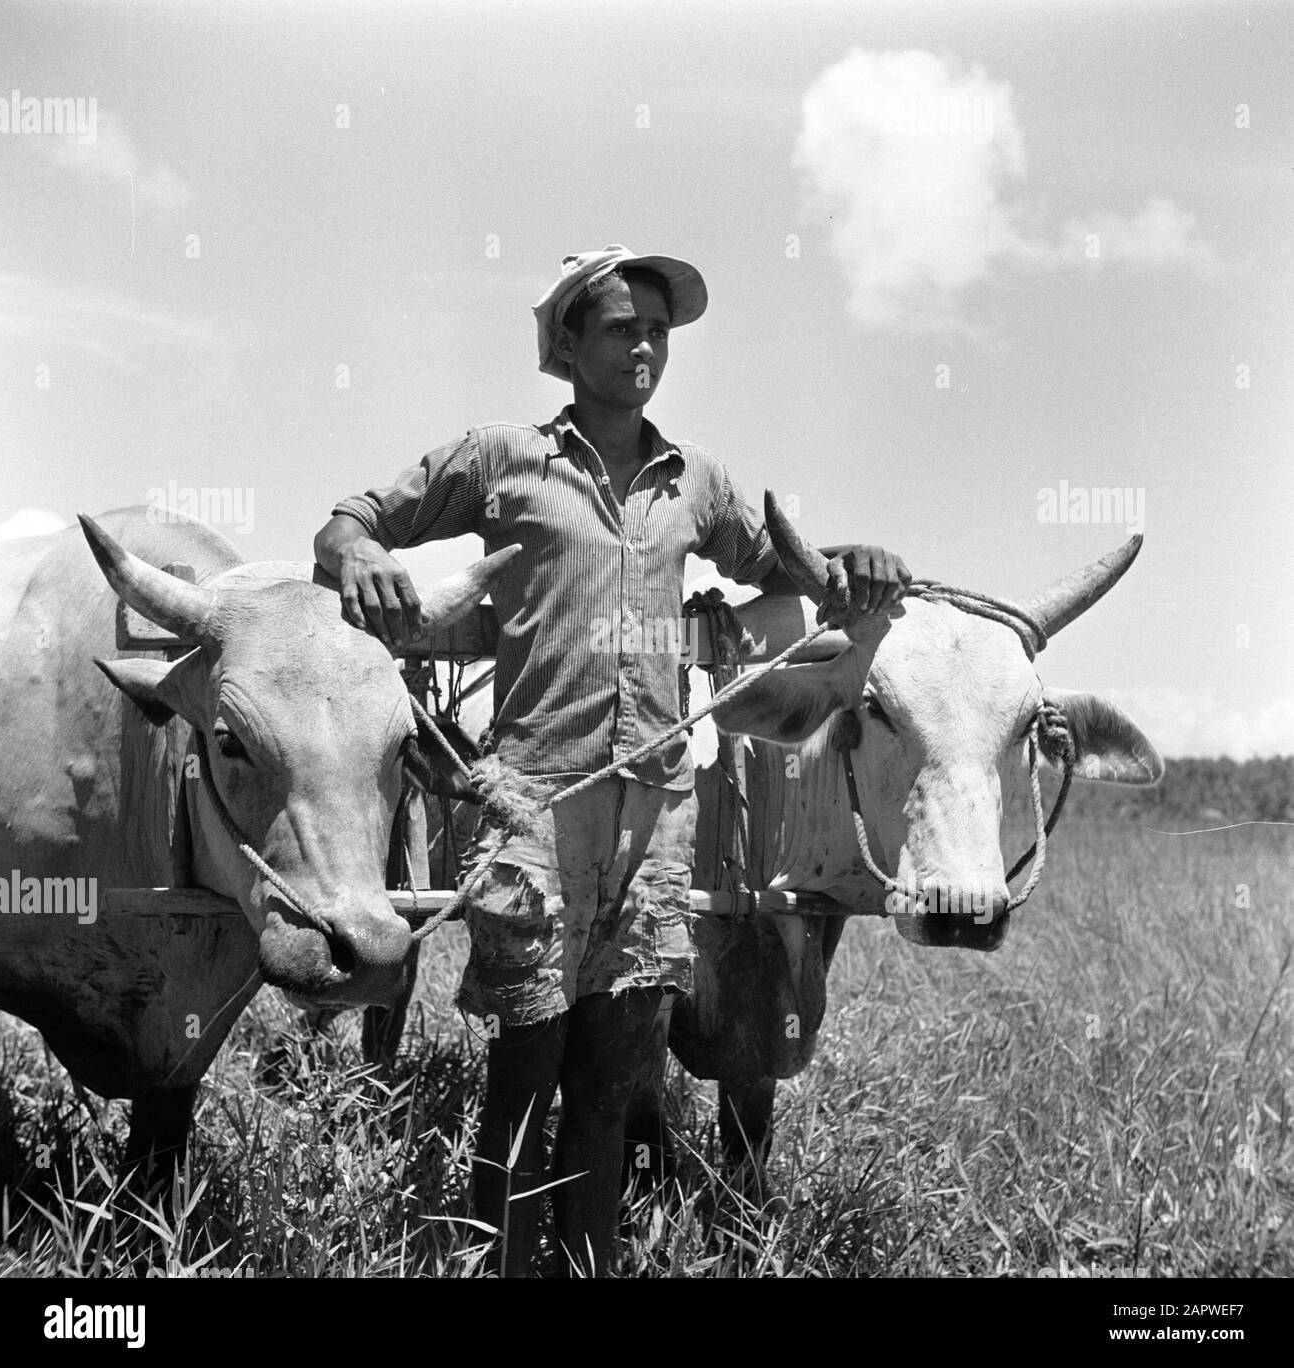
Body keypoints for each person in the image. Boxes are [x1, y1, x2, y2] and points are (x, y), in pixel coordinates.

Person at [314, 245, 910, 1276]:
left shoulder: (699, 485)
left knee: (615, 1071)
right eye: (621, 327)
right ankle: (500, 1263)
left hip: (660, 808)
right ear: (567, 345)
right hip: (535, 804)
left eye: (658, 331)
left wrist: (856, 567)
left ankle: (586, 1264)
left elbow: (792, 576)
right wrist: (361, 557)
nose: (644, 346)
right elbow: (352, 520)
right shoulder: (503, 461)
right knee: (527, 1064)